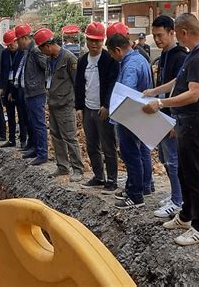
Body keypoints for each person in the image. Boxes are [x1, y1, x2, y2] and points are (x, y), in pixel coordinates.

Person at [143, 13, 199, 246]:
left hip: (193, 123)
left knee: (195, 177)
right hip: (183, 123)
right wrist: (155, 92)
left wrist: (161, 103)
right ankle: (185, 216)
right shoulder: (192, 56)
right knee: (184, 172)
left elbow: (193, 94)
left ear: (183, 33)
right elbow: (177, 82)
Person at [106, 23, 153, 209]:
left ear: (118, 50)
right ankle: (143, 187)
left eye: (111, 53)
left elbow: (126, 92)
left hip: (130, 115)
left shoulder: (131, 65)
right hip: (138, 113)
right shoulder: (139, 58)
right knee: (141, 152)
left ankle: (136, 195)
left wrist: (117, 116)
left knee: (131, 154)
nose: (111, 57)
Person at [75, 22, 120, 193]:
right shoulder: (82, 61)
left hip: (103, 110)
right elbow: (79, 85)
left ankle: (112, 179)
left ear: (103, 41)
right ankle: (98, 176)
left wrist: (107, 105)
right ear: (86, 40)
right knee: (92, 145)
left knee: (108, 145)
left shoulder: (109, 60)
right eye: (91, 40)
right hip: (88, 109)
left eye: (98, 41)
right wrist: (79, 107)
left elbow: (112, 85)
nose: (94, 44)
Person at [151, 15, 187, 218]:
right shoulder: (165, 54)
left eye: (160, 35)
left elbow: (178, 87)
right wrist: (153, 92)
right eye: (154, 36)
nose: (157, 40)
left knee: (173, 160)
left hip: (171, 115)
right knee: (165, 158)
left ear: (172, 32)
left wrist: (175, 119)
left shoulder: (180, 56)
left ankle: (177, 201)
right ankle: (176, 194)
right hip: (162, 112)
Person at [36, 28, 84, 180]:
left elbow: (78, 83)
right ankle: (62, 166)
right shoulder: (50, 60)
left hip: (66, 104)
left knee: (70, 137)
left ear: (48, 45)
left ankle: (78, 169)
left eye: (42, 49)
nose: (42, 53)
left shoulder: (69, 59)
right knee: (56, 136)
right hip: (53, 102)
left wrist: (78, 106)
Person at [14, 24, 48, 166]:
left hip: (37, 92)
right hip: (29, 92)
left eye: (18, 40)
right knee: (32, 122)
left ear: (25, 38)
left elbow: (47, 67)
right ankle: (35, 147)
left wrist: (39, 83)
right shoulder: (28, 51)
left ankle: (42, 153)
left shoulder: (35, 51)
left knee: (39, 123)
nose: (17, 43)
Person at [0, 29, 27, 148]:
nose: (10, 46)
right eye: (8, 45)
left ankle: (23, 139)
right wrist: (2, 87)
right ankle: (11, 139)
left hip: (19, 87)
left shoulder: (23, 53)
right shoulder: (5, 53)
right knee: (10, 114)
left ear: (17, 41)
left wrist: (14, 91)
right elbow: (3, 71)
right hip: (8, 85)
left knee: (22, 115)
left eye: (12, 44)